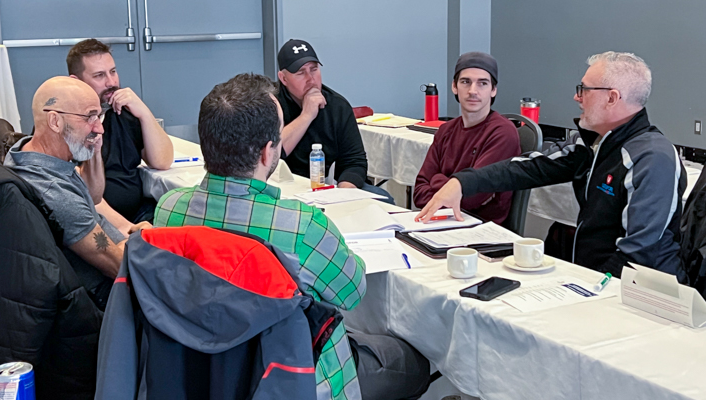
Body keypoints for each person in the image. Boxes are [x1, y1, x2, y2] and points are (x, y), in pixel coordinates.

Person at [155, 73, 428, 400]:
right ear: (268, 152)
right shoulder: (301, 225)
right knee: (414, 363)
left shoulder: (169, 211)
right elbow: (353, 293)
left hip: (205, 368)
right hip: (297, 376)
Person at [417, 51, 686, 277]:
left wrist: (587, 291)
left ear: (612, 97)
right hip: (594, 278)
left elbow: (637, 255)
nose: (576, 98)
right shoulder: (594, 144)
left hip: (638, 296)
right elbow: (528, 168)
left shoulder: (651, 158)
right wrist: (462, 181)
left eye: (583, 90)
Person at [5, 77, 149, 309]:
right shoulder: (55, 194)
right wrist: (144, 241)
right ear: (55, 121)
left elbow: (92, 197)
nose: (100, 127)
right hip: (108, 296)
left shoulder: (24, 151)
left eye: (99, 115)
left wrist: (92, 145)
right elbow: (118, 266)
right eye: (89, 117)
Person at [67, 39, 173, 224]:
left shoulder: (122, 113)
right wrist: (129, 229)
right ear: (76, 82)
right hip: (93, 219)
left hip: (139, 213)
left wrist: (143, 112)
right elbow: (83, 193)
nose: (111, 82)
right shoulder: (64, 123)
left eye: (113, 72)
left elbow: (162, 161)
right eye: (99, 75)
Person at [275, 39, 392, 202]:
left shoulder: (337, 106)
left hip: (326, 188)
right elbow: (272, 154)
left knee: (384, 198)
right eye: (301, 73)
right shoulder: (271, 104)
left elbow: (355, 161)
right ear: (283, 78)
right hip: (282, 189)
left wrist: (343, 194)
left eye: (314, 70)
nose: (310, 79)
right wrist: (306, 115)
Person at [414, 52, 520, 223]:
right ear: (454, 87)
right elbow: (419, 193)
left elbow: (472, 199)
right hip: (439, 223)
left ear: (493, 90)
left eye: (482, 83)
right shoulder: (445, 130)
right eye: (465, 82)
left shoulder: (502, 133)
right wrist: (452, 188)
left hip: (481, 229)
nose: (473, 91)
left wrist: (437, 180)